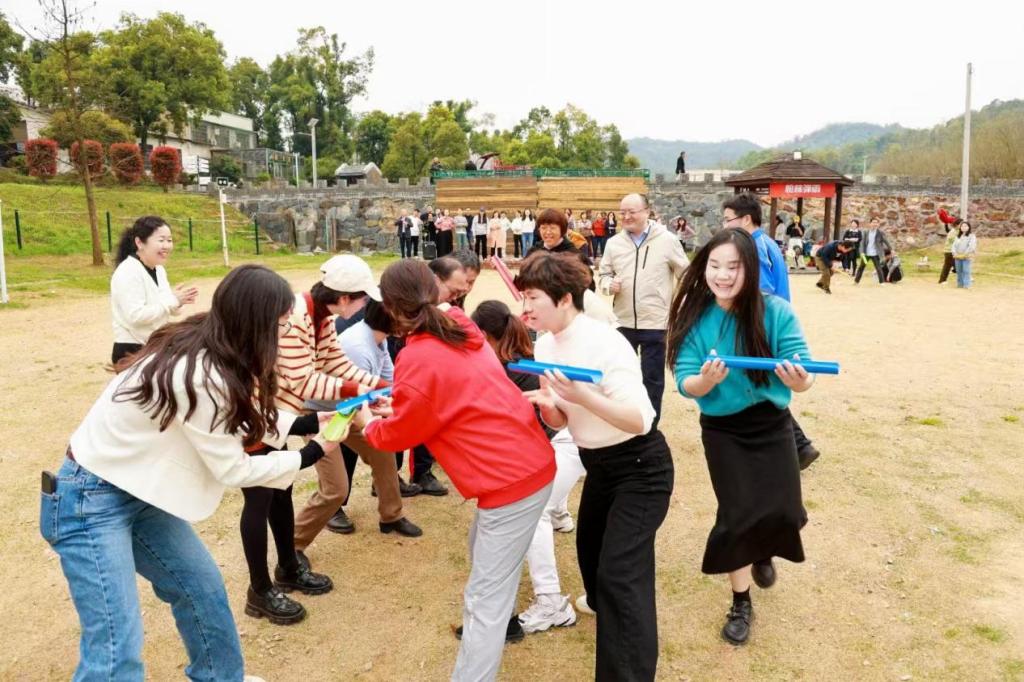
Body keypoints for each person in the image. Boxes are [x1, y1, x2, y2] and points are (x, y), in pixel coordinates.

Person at [43, 264, 342, 681]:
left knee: (202, 591)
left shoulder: (214, 345)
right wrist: (311, 453)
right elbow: (234, 467)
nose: (284, 335)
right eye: (279, 326)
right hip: (89, 499)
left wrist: (307, 423)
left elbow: (238, 418)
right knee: (115, 644)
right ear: (254, 324)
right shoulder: (201, 373)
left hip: (139, 492)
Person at [360, 259, 556, 682]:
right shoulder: (460, 327)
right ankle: (501, 619)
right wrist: (402, 406)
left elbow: (401, 433)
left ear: (391, 308)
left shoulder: (419, 355)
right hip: (524, 463)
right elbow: (444, 396)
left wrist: (369, 425)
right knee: (481, 553)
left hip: (511, 479)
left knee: (484, 600)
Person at [516, 252, 672, 682]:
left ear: (565, 299)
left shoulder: (605, 342)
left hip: (641, 467)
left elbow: (639, 419)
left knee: (620, 575)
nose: (525, 308)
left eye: (533, 298)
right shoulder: (545, 344)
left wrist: (582, 395)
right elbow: (562, 420)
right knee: (592, 558)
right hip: (598, 466)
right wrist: (550, 407)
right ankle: (614, 612)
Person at [666, 228, 814, 647]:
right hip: (723, 430)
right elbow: (685, 381)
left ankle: (763, 549)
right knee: (737, 515)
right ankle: (740, 600)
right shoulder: (695, 316)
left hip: (771, 423)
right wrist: (705, 381)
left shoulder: (776, 311)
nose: (723, 275)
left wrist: (798, 378)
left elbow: (804, 374)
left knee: (786, 511)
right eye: (715, 265)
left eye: (733, 266)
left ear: (750, 268)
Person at [280, 256, 424, 565]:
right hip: (310, 411)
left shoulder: (323, 318)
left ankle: (391, 515)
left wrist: (381, 388)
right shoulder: (297, 316)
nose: (365, 307)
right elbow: (302, 381)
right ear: (345, 298)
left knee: (383, 448)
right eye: (363, 299)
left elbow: (338, 364)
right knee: (335, 489)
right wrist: (359, 390)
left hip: (343, 407)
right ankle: (292, 547)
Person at [470, 300, 584, 635]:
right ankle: (561, 513)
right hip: (567, 438)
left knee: (534, 515)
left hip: (567, 440)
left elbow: (534, 430)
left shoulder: (510, 370)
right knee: (546, 498)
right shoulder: (521, 357)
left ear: (486, 336)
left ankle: (551, 603)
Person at [721, 193, 820, 469]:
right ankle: (799, 446)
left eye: (728, 220)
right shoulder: (764, 243)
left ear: (746, 219)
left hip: (760, 326)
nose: (724, 226)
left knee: (763, 388)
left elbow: (761, 291)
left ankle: (799, 446)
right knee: (762, 383)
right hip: (764, 324)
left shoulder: (754, 248)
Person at [598, 193, 689, 428]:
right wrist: (608, 285)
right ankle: (623, 424)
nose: (626, 217)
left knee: (653, 378)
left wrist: (682, 303)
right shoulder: (613, 243)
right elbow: (604, 275)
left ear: (647, 212)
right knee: (620, 376)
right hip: (622, 321)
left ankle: (650, 426)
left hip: (656, 322)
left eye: (632, 212)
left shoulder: (667, 240)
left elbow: (686, 274)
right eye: (623, 212)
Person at [110, 216, 198, 364]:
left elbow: (166, 309)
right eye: (161, 240)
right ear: (139, 243)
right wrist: (172, 300)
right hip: (132, 350)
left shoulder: (159, 269)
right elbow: (136, 316)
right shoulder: (128, 271)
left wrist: (178, 300)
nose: (166, 246)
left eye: (169, 240)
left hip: (154, 346)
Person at [855, 217, 892, 284]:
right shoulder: (866, 232)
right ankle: (856, 281)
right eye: (873, 222)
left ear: (878, 224)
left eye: (876, 223)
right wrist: (862, 252)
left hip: (875, 254)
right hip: (866, 254)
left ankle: (882, 282)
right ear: (870, 223)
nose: (875, 224)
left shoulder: (880, 233)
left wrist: (891, 249)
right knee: (861, 267)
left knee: (878, 268)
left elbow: (886, 241)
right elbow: (862, 243)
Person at [952, 220, 977, 288]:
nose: (963, 227)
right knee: (959, 271)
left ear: (969, 227)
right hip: (957, 256)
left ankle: (967, 285)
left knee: (966, 270)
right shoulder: (958, 236)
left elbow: (971, 246)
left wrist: (965, 254)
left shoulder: (971, 236)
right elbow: (953, 245)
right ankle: (960, 284)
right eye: (962, 226)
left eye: (965, 226)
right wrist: (954, 253)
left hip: (966, 256)